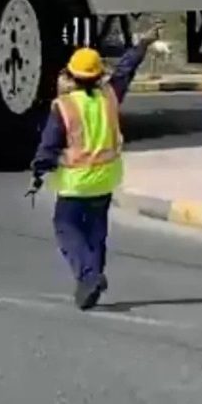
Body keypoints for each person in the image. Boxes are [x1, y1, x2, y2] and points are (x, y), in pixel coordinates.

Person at [29, 23, 161, 310]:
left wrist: (39, 169)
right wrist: (142, 44)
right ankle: (92, 279)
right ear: (99, 75)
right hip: (106, 179)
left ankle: (89, 276)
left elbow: (50, 145)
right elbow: (125, 70)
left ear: (72, 76)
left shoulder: (64, 106)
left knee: (66, 228)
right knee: (96, 233)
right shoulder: (109, 96)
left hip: (75, 183)